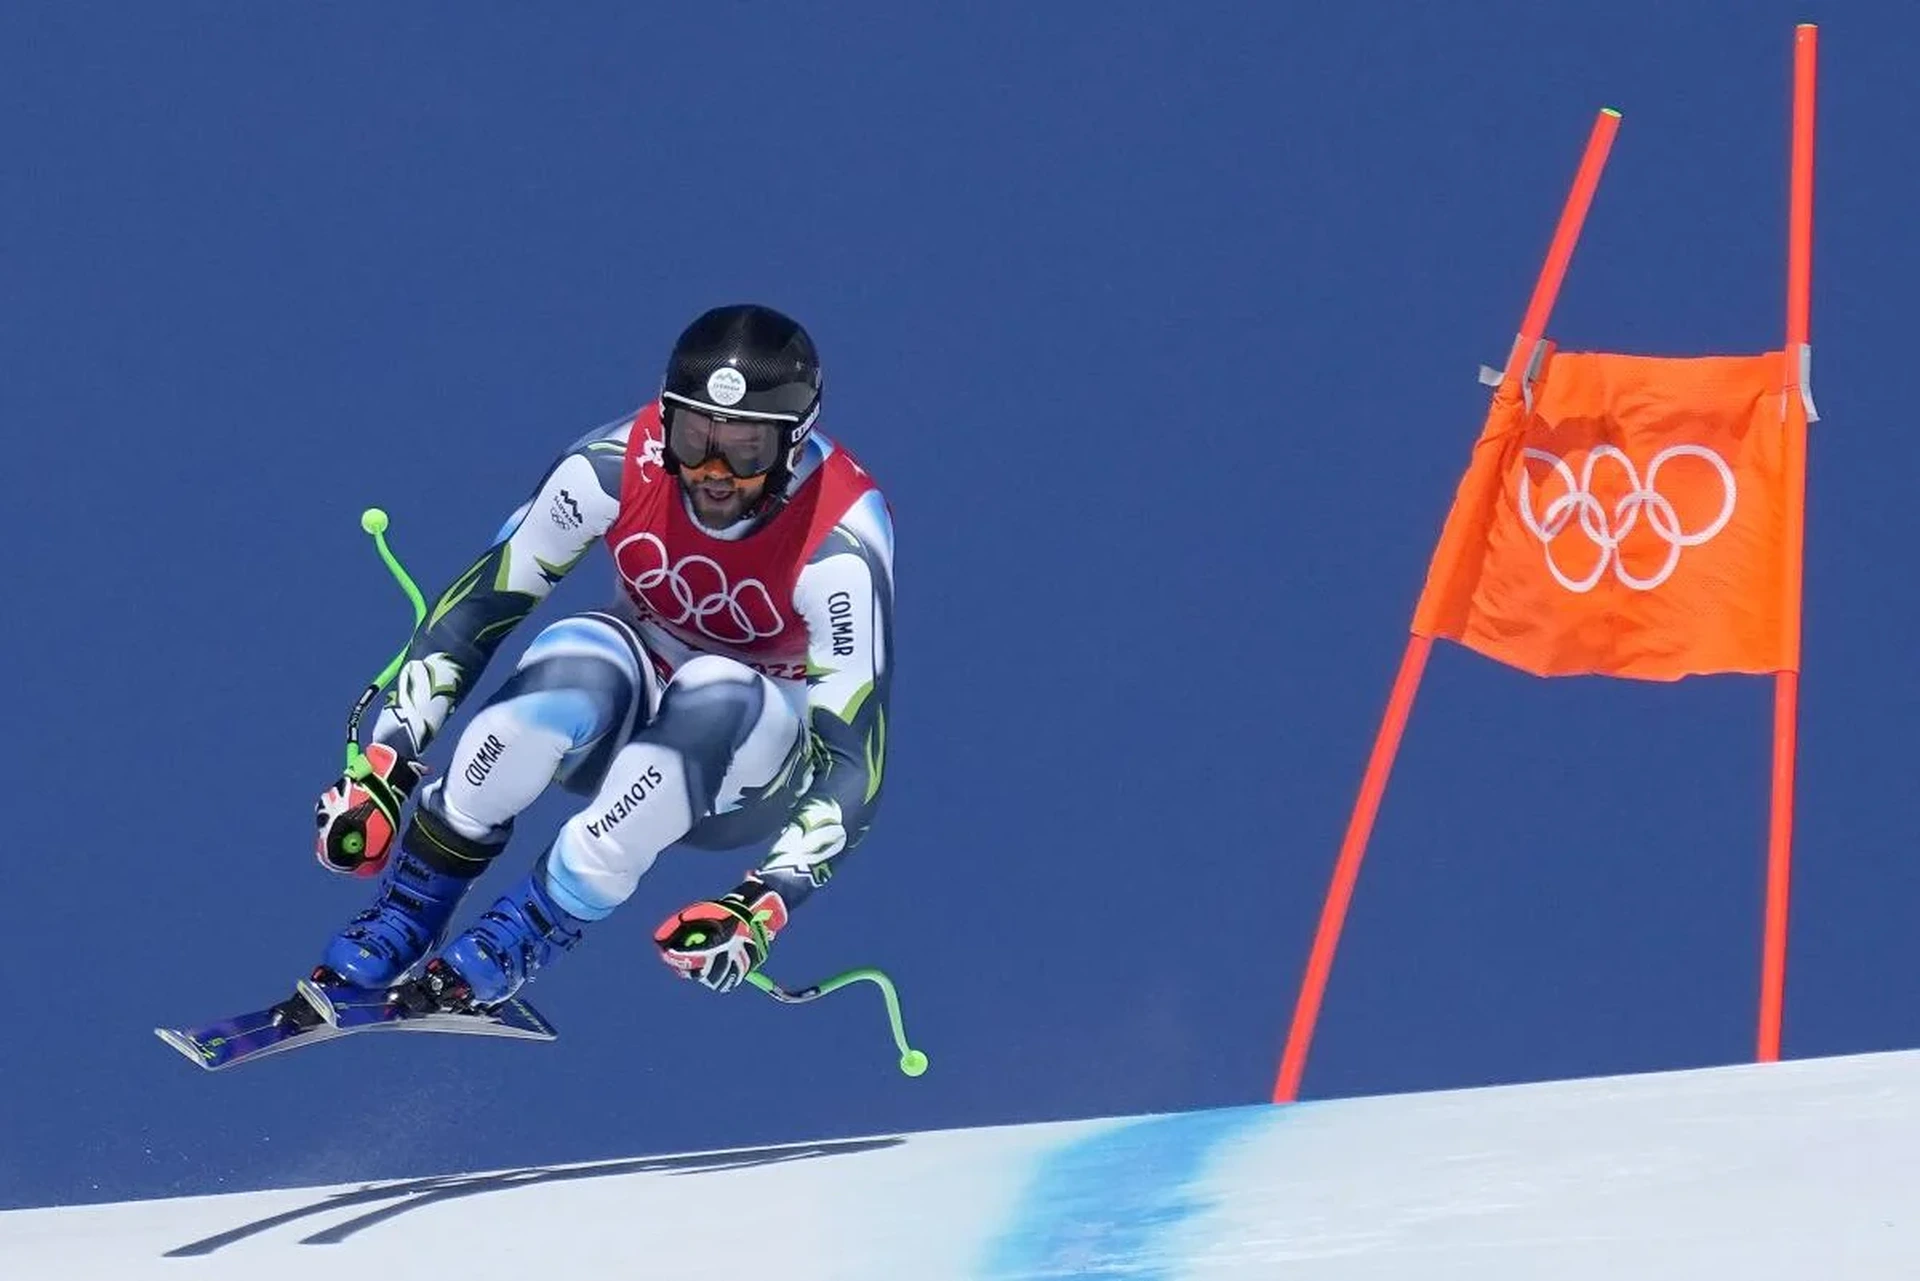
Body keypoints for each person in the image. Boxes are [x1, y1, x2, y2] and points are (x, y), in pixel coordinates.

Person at [303, 303, 895, 1014]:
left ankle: (525, 929)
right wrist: (388, 762)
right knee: (575, 652)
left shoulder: (840, 538)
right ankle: (411, 904)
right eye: (694, 434)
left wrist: (761, 903)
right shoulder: (618, 463)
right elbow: (482, 605)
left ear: (793, 445)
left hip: (742, 771)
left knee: (718, 686)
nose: (712, 471)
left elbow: (854, 762)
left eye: (747, 451)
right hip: (623, 707)